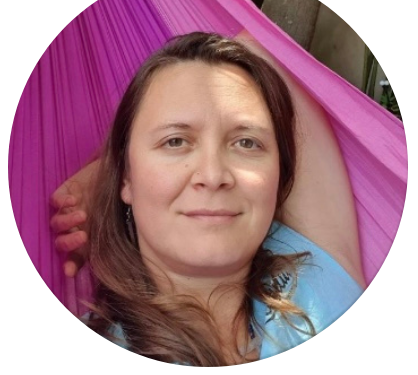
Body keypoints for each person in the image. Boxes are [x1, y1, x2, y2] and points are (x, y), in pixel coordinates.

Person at [50, 31, 365, 366]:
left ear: (280, 175)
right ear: (127, 176)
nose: (213, 176)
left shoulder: (319, 282)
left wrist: (107, 175)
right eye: (175, 141)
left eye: (246, 142)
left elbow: (260, 46)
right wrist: (110, 178)